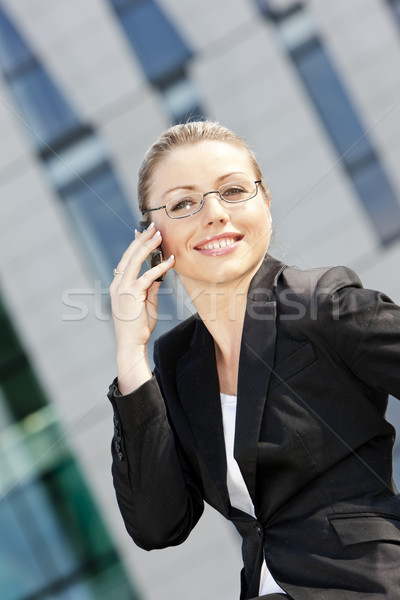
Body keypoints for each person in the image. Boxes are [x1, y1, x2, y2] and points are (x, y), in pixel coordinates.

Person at [108, 121, 400, 600]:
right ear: (152, 237)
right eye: (183, 203)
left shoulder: (323, 303)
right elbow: (158, 525)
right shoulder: (178, 361)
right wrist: (130, 355)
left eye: (234, 190)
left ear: (264, 202)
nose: (215, 214)